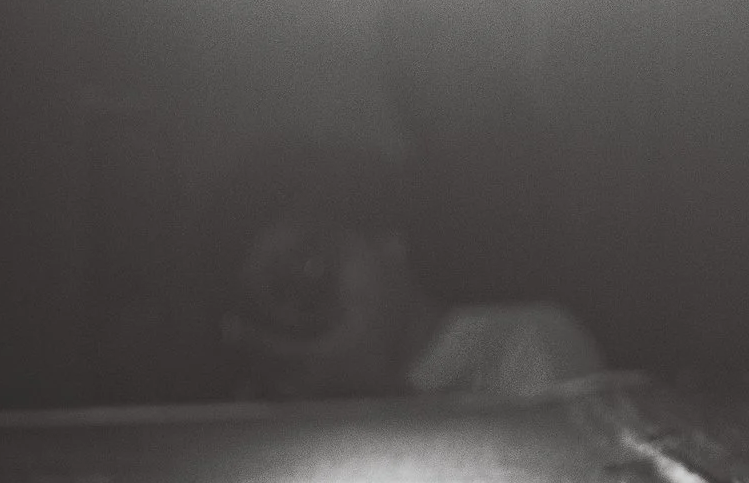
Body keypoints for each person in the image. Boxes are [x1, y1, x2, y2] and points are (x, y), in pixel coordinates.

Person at [215, 134, 603, 401]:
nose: (301, 298)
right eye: (276, 288)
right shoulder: (281, 399)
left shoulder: (522, 343)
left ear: (386, 241)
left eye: (313, 261)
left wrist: (369, 385)